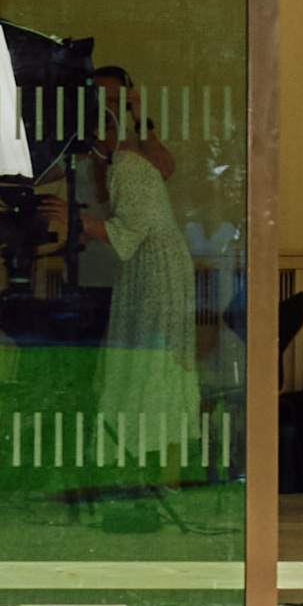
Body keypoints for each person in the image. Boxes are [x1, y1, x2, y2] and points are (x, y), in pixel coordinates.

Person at [91, 120, 199, 481]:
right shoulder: (121, 163)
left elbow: (130, 231)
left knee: (154, 366)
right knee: (155, 367)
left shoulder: (126, 163)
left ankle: (156, 473)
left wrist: (72, 219)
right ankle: (160, 473)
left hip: (154, 272)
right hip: (150, 269)